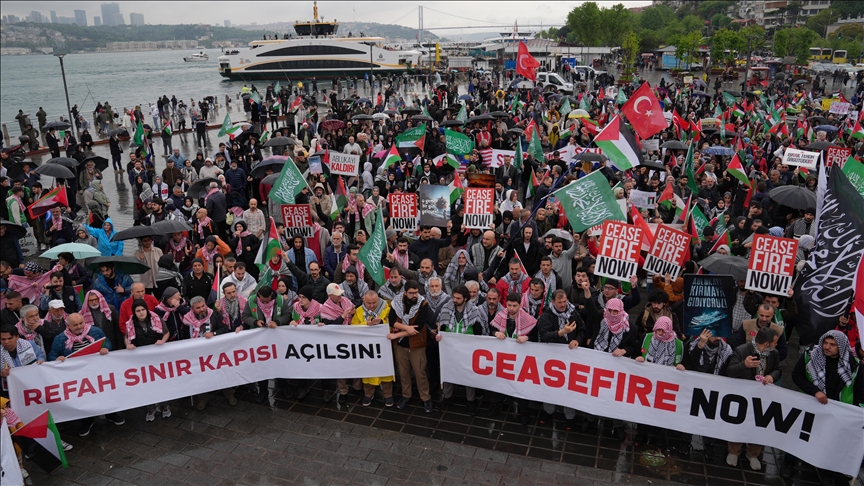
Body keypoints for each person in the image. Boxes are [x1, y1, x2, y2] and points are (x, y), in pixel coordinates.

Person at [725, 327, 781, 471]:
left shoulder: (774, 353)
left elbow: (778, 369)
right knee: (739, 422)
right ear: (767, 343)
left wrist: (772, 376)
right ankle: (733, 452)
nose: (776, 345)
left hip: (762, 397)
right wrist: (744, 365)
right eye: (774, 342)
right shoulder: (741, 350)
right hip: (743, 396)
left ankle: (753, 453)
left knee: (759, 424)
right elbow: (729, 371)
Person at [537, 290, 586, 428]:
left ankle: (569, 416)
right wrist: (561, 333)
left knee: (569, 387)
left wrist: (577, 340)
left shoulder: (574, 313)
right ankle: (548, 411)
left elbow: (582, 330)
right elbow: (544, 335)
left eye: (565, 301)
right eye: (560, 302)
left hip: (570, 358)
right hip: (552, 359)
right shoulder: (546, 316)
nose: (563, 305)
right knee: (550, 386)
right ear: (553, 302)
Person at [489, 292, 538, 424]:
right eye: (509, 305)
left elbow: (536, 336)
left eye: (514, 306)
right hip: (504, 358)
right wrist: (495, 333)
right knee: (500, 381)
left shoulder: (528, 319)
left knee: (521, 385)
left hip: (521, 359)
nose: (511, 308)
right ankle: (497, 405)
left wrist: (527, 337)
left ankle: (524, 412)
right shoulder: (501, 316)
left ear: (520, 305)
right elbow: (490, 329)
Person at [387, 280, 434, 413]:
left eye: (416, 293)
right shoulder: (396, 302)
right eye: (411, 293)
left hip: (417, 344)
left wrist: (397, 335)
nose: (414, 296)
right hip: (401, 345)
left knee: (420, 372)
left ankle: (425, 398)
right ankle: (406, 395)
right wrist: (406, 327)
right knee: (403, 372)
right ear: (405, 292)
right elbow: (392, 320)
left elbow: (417, 328)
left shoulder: (423, 303)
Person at [436, 285, 484, 412]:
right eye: (454, 297)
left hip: (467, 350)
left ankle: (470, 400)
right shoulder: (446, 308)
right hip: (450, 348)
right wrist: (439, 336)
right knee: (448, 372)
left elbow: (478, 332)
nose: (455, 300)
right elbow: (441, 328)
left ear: (466, 298)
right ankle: (447, 397)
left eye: (458, 298)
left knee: (468, 374)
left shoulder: (474, 311)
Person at [123, 299, 171, 421]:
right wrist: (128, 345)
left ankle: (165, 405)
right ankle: (150, 407)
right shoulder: (131, 323)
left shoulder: (156, 319)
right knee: (147, 384)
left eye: (143, 309)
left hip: (158, 357)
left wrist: (163, 341)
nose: (141, 313)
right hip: (142, 360)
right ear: (134, 312)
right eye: (138, 311)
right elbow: (127, 338)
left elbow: (166, 333)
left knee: (161, 381)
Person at [183, 296, 230, 410]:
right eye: (198, 308)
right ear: (192, 309)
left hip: (215, 351)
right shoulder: (186, 320)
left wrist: (213, 333)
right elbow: (183, 336)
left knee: (223, 372)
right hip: (197, 354)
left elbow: (225, 328)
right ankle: (203, 398)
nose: (202, 309)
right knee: (200, 376)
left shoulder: (214, 315)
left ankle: (229, 394)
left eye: (203, 306)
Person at [350, 290, 394, 407]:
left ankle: (388, 395)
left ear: (378, 300)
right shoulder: (359, 311)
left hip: (383, 347)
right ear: (364, 300)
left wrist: (381, 322)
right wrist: (366, 324)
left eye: (374, 302)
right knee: (368, 371)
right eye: (369, 303)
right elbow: (353, 328)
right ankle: (368, 394)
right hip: (367, 348)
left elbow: (392, 326)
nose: (372, 305)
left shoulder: (386, 308)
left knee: (385, 371)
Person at [80, 290, 121, 354]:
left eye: (96, 299)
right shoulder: (83, 314)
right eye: (91, 300)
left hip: (112, 344)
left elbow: (117, 328)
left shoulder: (110, 309)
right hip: (94, 346)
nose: (94, 302)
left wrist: (120, 346)